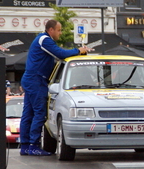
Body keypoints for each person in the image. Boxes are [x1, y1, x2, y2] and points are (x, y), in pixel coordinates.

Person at [19, 19, 91, 156]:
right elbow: (60, 54)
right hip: (36, 80)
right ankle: (33, 145)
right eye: (59, 30)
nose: (60, 32)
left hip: (32, 79)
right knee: (39, 113)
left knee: (28, 114)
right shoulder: (45, 40)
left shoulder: (42, 40)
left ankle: (25, 146)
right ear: (51, 30)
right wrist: (78, 50)